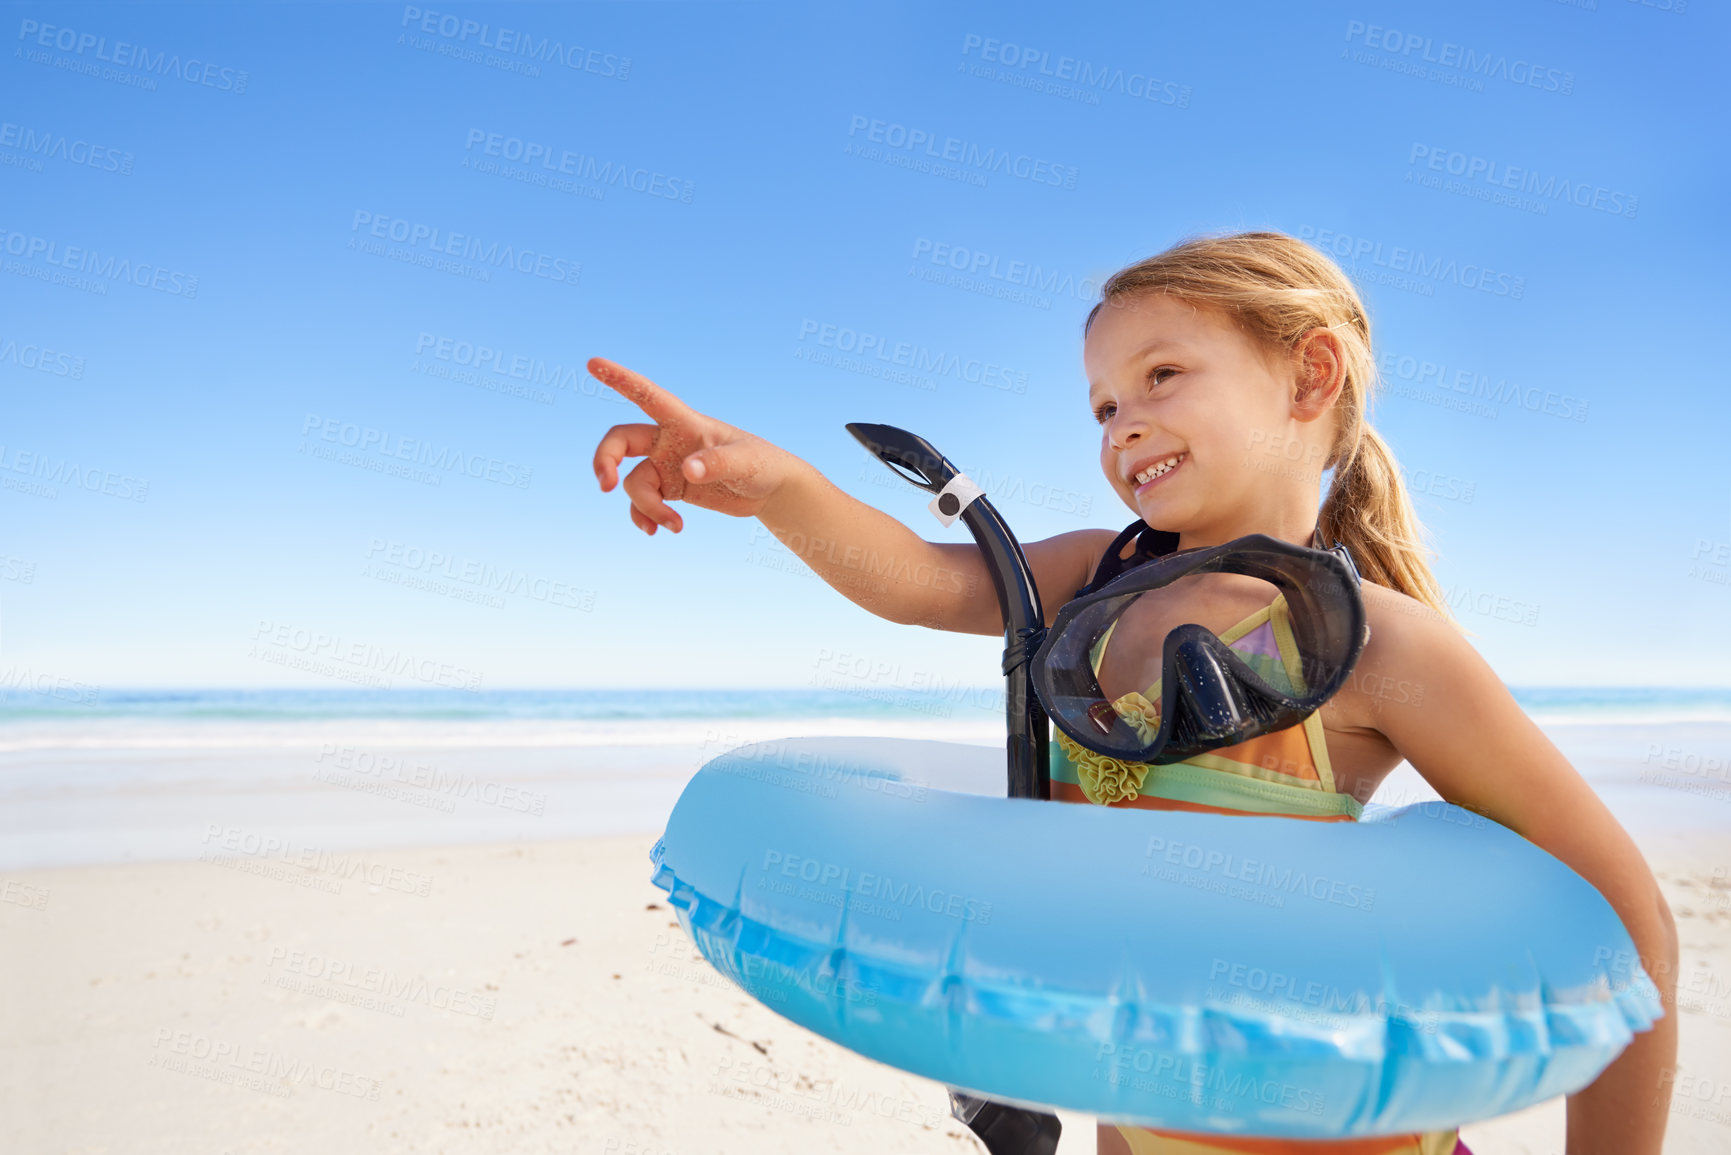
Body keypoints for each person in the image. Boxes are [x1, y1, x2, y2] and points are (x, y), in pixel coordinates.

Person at [588, 230, 1678, 1155]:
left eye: (1162, 377)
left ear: (1310, 376)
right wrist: (777, 485)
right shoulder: (1089, 575)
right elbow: (921, 581)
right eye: (1102, 404)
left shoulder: (1368, 643)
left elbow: (1624, 914)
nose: (1123, 426)